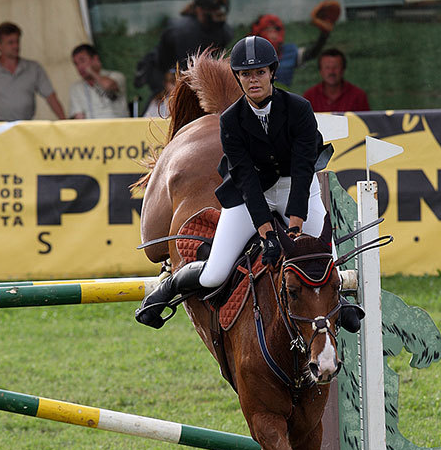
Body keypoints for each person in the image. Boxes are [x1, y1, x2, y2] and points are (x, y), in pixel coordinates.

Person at [135, 36, 364, 334]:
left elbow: (304, 168)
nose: (253, 80)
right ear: (237, 77)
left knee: (322, 268)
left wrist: (294, 228)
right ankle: (170, 286)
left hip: (300, 189)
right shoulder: (231, 120)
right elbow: (245, 179)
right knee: (214, 274)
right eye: (244, 74)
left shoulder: (300, 109)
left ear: (272, 72)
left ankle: (341, 305)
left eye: (259, 72)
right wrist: (268, 234)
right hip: (252, 196)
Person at [134, 0, 233, 108]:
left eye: (220, 8)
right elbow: (184, 72)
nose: (218, 13)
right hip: (163, 73)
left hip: (191, 76)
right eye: (214, 9)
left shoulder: (223, 31)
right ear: (200, 10)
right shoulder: (185, 30)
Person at [0, 22, 66, 121]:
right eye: (10, 42)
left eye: (17, 41)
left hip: (25, 126)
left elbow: (51, 97)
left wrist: (64, 121)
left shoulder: (33, 68)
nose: (16, 46)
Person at [250, 0, 341, 87]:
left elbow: (312, 53)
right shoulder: (250, 55)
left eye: (276, 30)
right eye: (268, 30)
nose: (273, 35)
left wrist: (324, 35)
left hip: (281, 99)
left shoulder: (289, 52)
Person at [69, 44, 129, 119]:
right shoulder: (76, 88)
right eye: (76, 64)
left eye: (82, 61)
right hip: (92, 129)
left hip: (117, 127)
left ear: (95, 59)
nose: (80, 67)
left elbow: (108, 85)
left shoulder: (116, 76)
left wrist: (92, 72)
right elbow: (78, 116)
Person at [303, 48, 370, 112]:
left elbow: (365, 122)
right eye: (327, 68)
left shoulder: (358, 96)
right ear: (320, 70)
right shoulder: (309, 96)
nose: (331, 72)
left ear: (343, 69)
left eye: (336, 67)